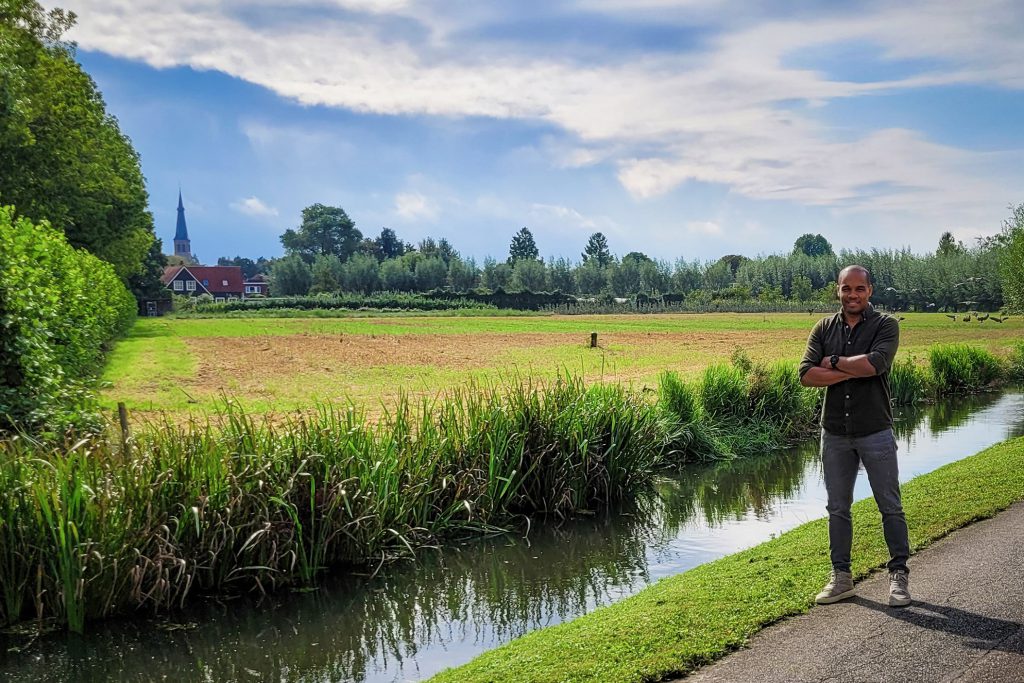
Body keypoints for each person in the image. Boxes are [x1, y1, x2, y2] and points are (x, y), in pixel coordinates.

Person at [798, 264, 911, 607]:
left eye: (859, 289)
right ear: (838, 290)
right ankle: (842, 578)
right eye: (846, 288)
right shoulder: (823, 327)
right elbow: (805, 374)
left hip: (875, 430)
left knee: (889, 506)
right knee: (838, 508)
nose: (852, 295)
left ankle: (899, 578)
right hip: (834, 433)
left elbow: (875, 365)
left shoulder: (885, 325)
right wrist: (850, 368)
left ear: (870, 291)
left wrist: (831, 362)